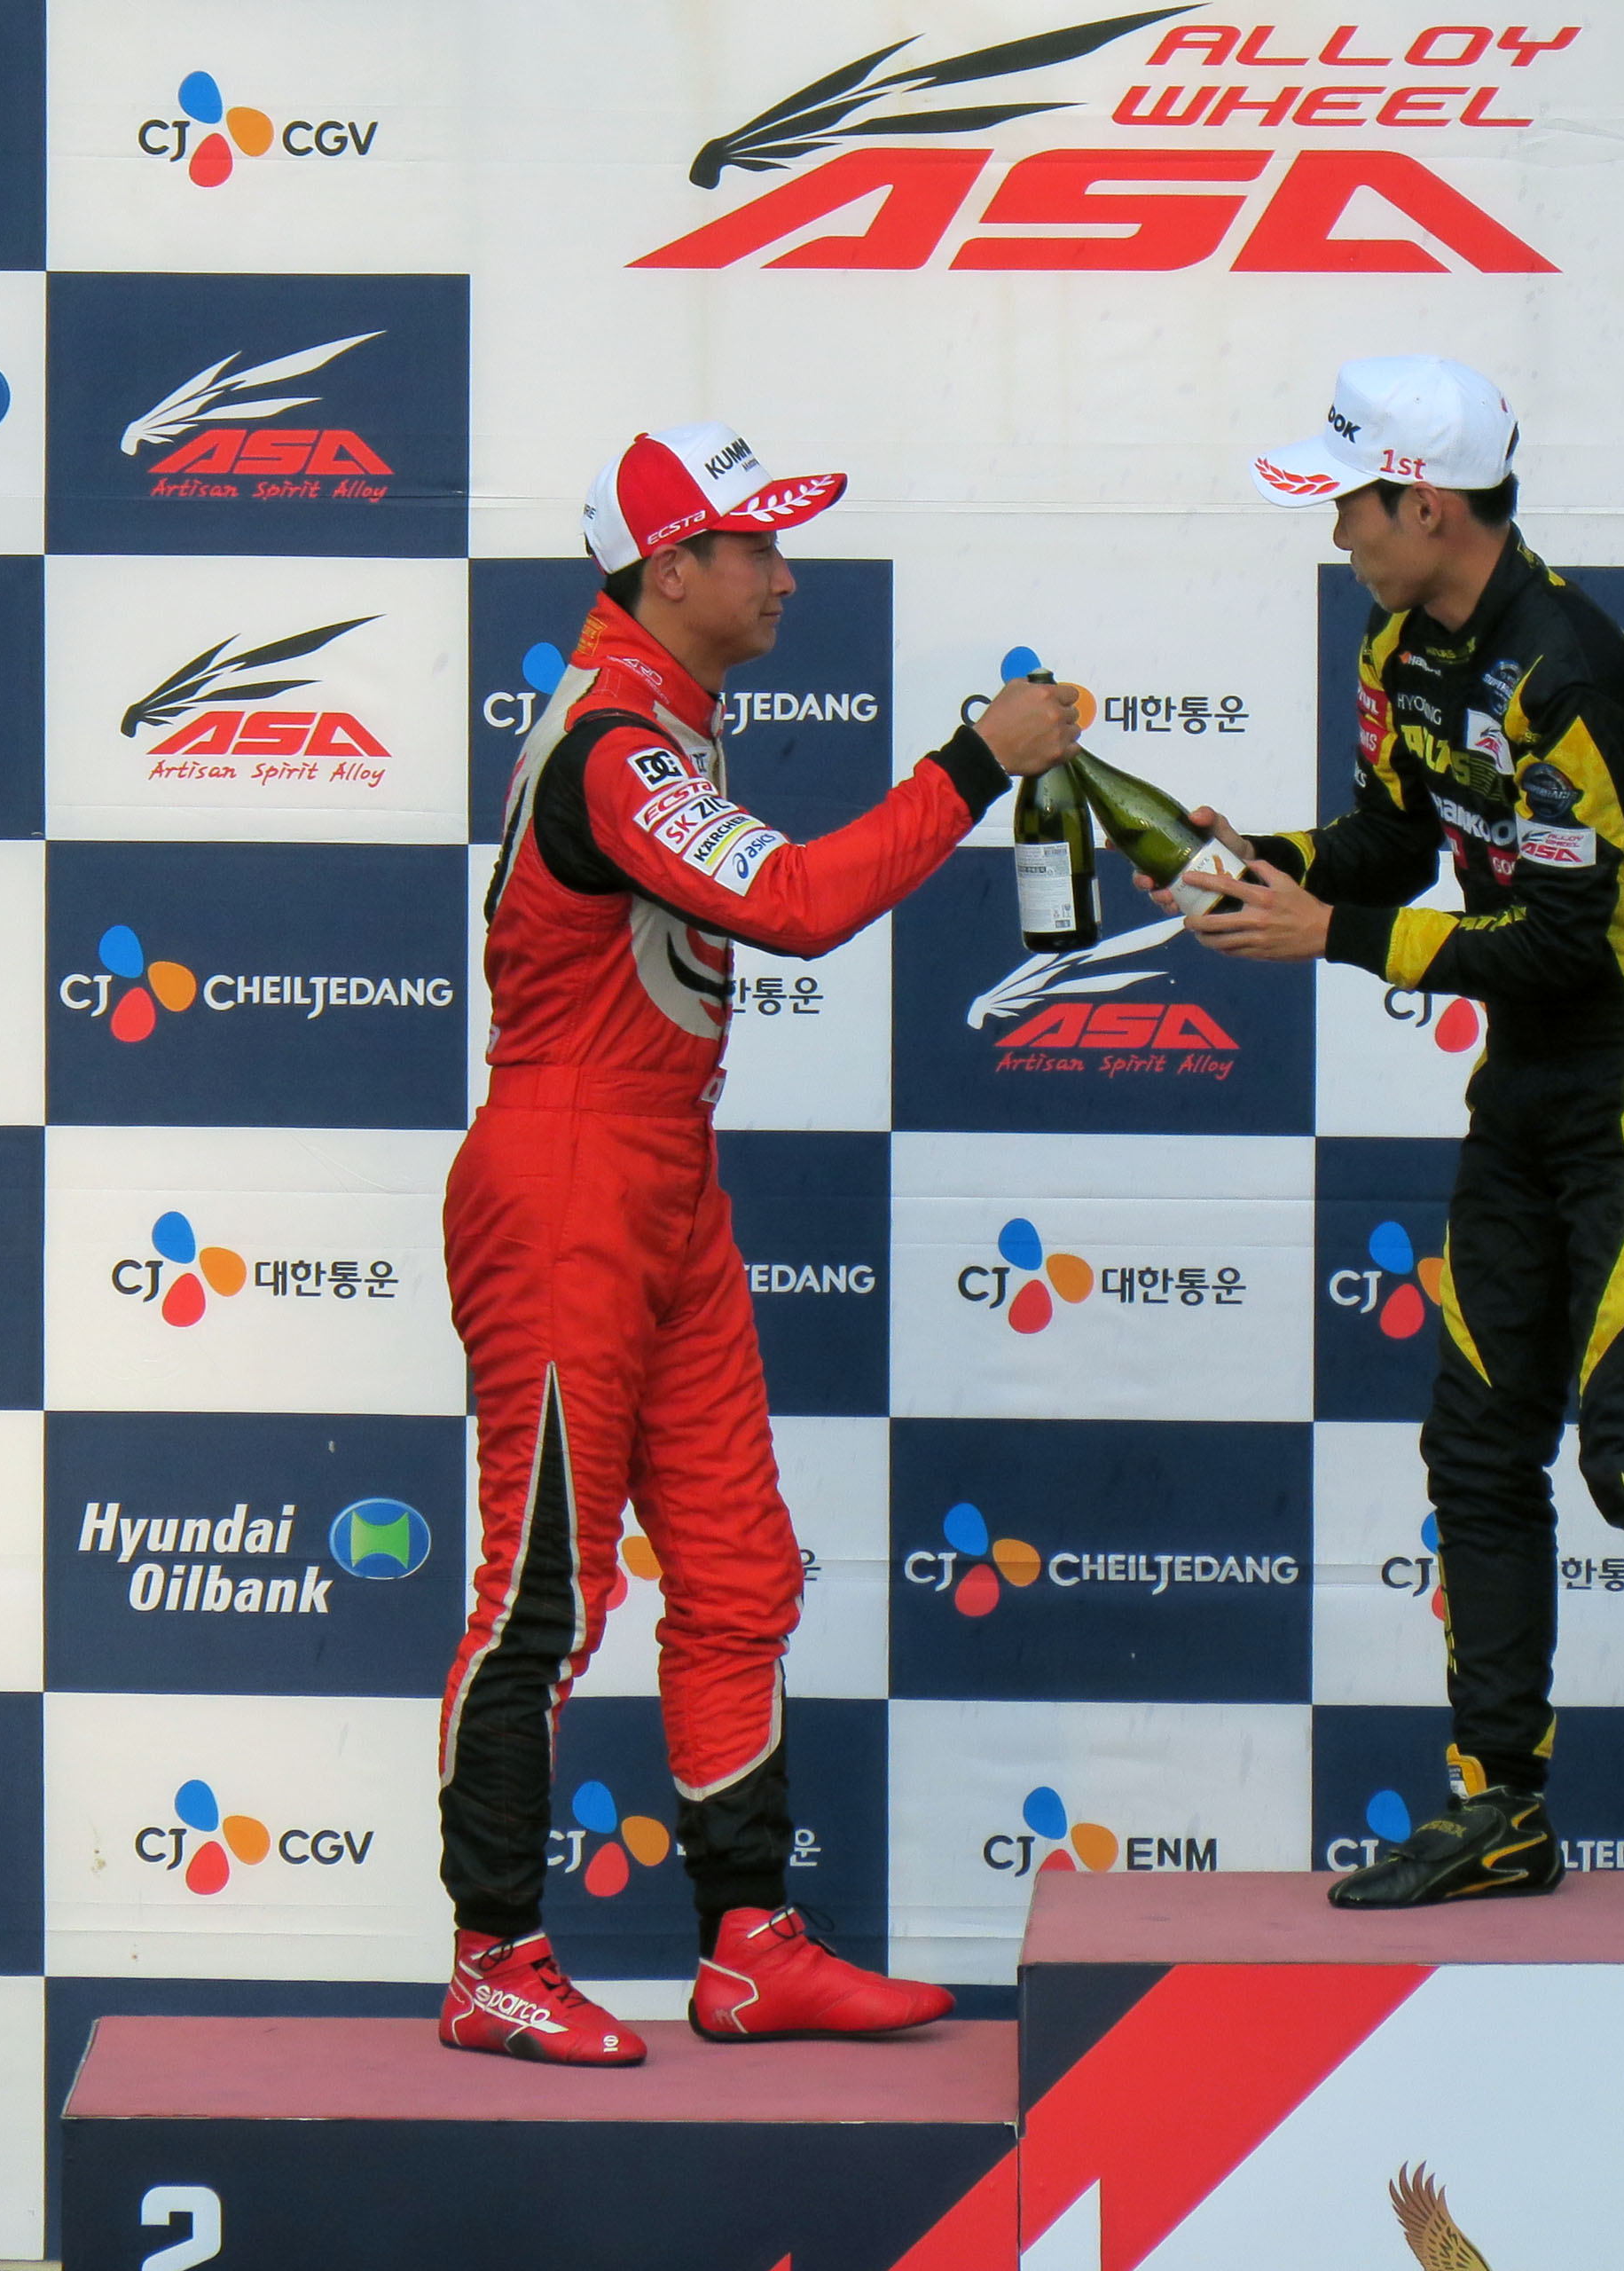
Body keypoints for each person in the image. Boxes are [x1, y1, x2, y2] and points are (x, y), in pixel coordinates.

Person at [438, 422, 1079, 2063]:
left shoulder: (665, 725)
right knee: (543, 1589)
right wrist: (973, 762)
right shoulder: (613, 745)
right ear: (670, 570)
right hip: (568, 1174)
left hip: (662, 1174)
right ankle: (492, 1959)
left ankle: (747, 1947)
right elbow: (794, 905)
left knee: (737, 1571)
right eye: (756, 547)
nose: (786, 576)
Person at [1169, 356, 1624, 1922]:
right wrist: (1259, 862)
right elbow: (1395, 842)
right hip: (1528, 1092)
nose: (1338, 530)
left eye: (1352, 501)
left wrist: (1337, 937)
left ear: (1428, 504)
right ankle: (1501, 1808)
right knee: (1478, 1448)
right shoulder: (1401, 646)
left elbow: (1554, 940)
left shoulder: (1573, 673)